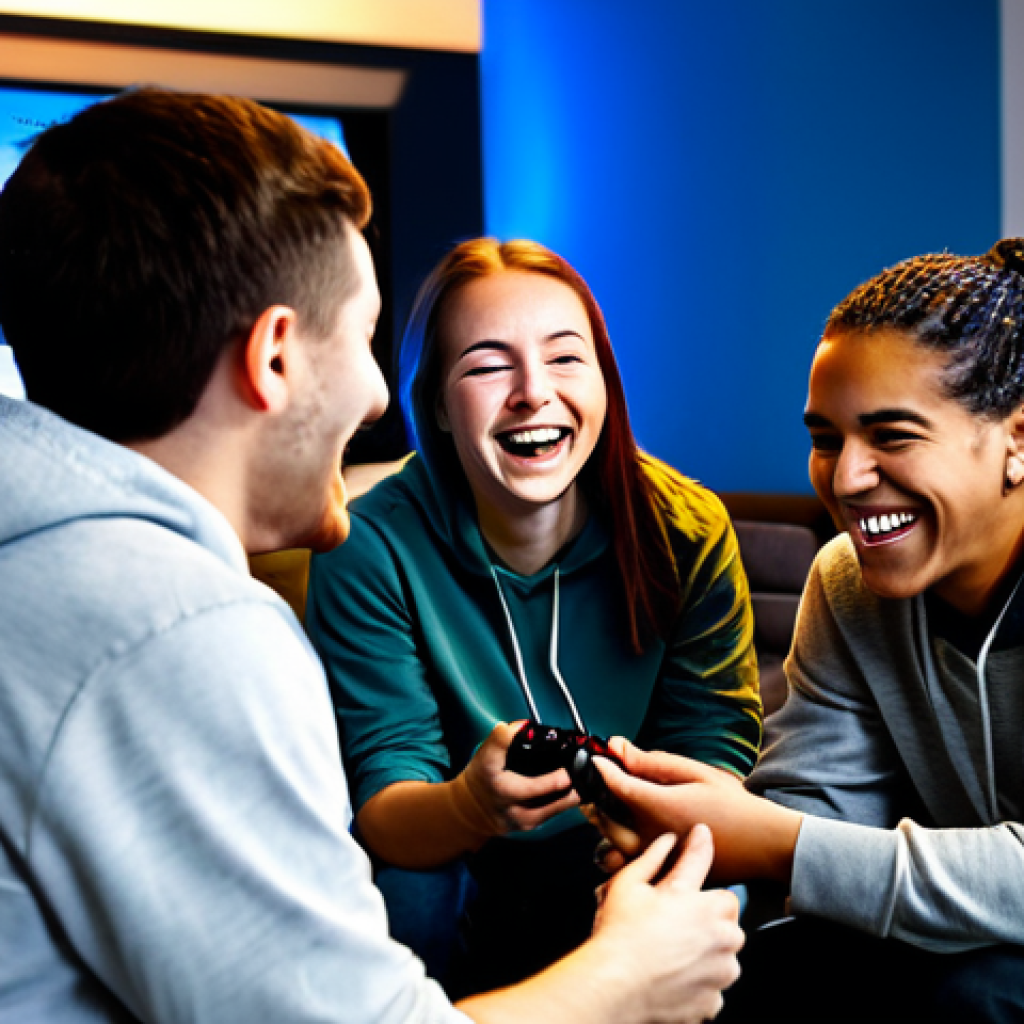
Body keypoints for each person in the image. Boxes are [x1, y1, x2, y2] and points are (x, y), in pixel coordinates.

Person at [0, 88, 746, 1024]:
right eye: (361, 336)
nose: (373, 401)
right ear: (276, 357)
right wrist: (629, 979)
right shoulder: (186, 630)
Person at [305, 237, 762, 994]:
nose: (532, 393)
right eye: (487, 365)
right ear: (440, 409)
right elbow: (387, 806)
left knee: (717, 886)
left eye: (564, 358)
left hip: (635, 841)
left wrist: (644, 839)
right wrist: (470, 804)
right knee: (409, 891)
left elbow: (712, 754)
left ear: (604, 382)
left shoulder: (688, 528)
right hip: (461, 856)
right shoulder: (368, 546)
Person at [589, 239, 1024, 1023]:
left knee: (977, 992)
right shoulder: (847, 580)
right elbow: (815, 816)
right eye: (827, 439)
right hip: (955, 954)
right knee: (754, 970)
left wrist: (773, 842)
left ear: (1017, 441)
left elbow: (796, 843)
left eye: (892, 436)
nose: (847, 477)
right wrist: (695, 847)